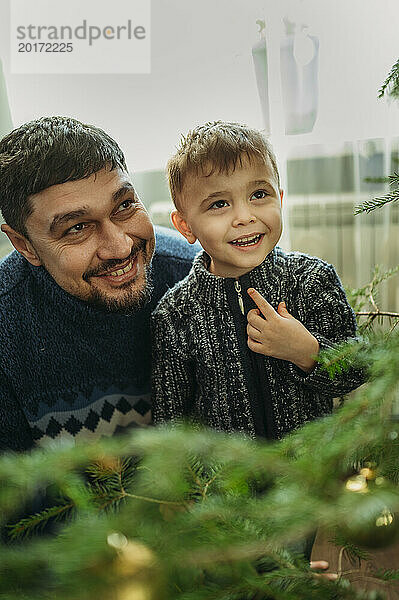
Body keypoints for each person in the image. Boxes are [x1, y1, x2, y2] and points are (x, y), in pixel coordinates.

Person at [152, 121, 365, 439]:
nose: (244, 217)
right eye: (219, 204)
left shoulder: (312, 280)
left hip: (309, 476)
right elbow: (171, 425)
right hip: (226, 483)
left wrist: (305, 352)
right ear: (186, 226)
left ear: (279, 198)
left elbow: (357, 369)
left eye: (259, 194)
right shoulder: (175, 314)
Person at [0, 116, 198, 453]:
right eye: (77, 228)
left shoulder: (197, 275)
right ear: (24, 245)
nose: (120, 247)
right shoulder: (6, 327)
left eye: (124, 206)